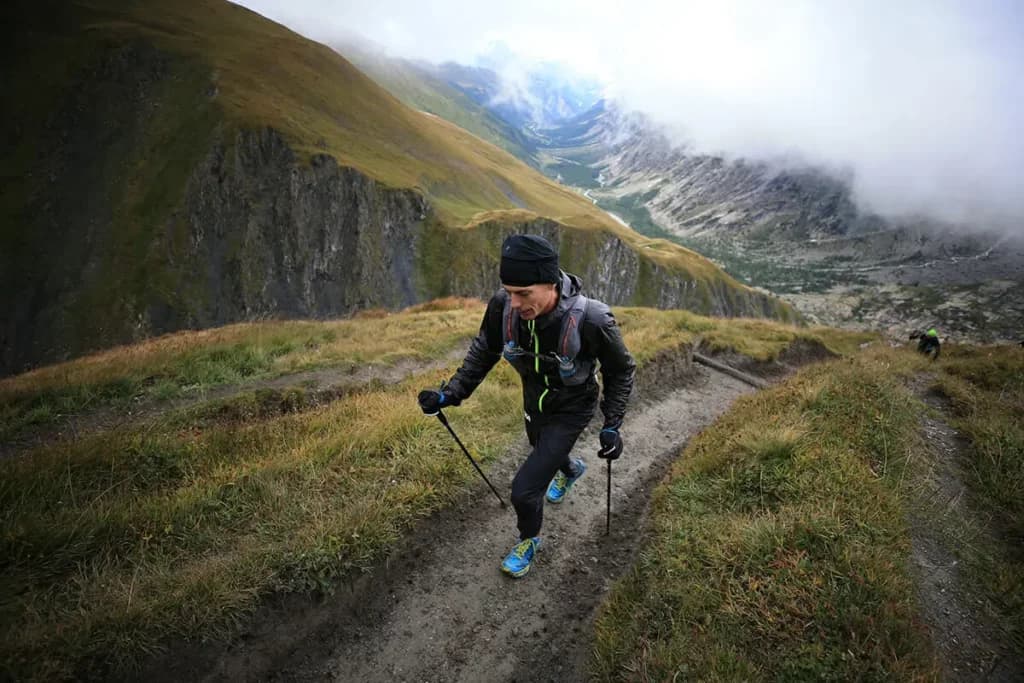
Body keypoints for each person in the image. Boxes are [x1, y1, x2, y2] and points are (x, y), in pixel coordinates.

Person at [418, 234, 636, 578]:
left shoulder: (592, 320)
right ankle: (570, 469)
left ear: (551, 283)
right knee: (539, 447)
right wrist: (451, 394)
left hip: (572, 407)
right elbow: (484, 351)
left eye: (523, 293)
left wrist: (612, 424)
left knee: (524, 489)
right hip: (534, 399)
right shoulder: (502, 308)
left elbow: (621, 369)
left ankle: (528, 540)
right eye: (509, 291)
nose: (515, 303)